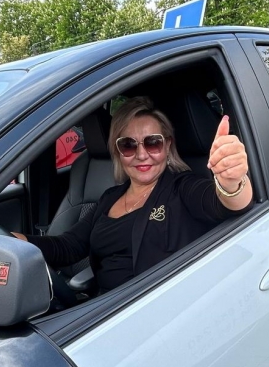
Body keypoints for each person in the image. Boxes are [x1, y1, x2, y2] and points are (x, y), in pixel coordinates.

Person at [13, 96, 253, 294]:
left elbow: (227, 203)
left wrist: (231, 181)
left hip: (147, 313)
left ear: (167, 145)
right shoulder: (109, 198)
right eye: (128, 145)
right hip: (100, 310)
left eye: (153, 143)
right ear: (118, 151)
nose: (141, 154)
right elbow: (69, 246)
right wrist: (13, 242)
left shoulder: (182, 187)